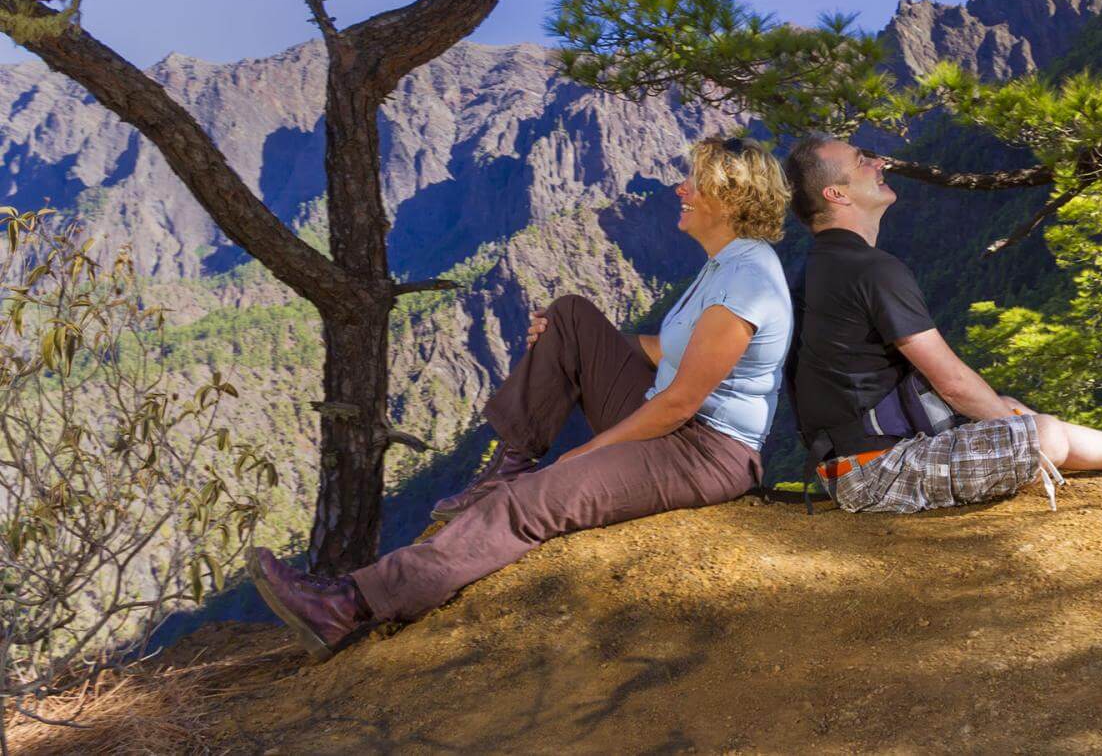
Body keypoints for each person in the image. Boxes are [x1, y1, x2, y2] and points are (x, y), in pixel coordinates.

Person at [250, 137, 795, 661]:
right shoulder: (725, 263)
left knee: (534, 502)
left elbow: (680, 403)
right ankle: (510, 461)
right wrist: (581, 344)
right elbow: (675, 351)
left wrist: (590, 451)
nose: (680, 189)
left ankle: (348, 603)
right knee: (569, 314)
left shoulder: (746, 280)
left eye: (694, 183)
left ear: (730, 199)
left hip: (704, 450)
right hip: (671, 416)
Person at [781, 134, 1102, 515]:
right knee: (1036, 433)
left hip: (852, 464)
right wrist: (1015, 432)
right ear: (836, 193)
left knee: (1011, 409)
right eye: (862, 162)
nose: (879, 164)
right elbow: (950, 381)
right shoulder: (868, 269)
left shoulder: (821, 265)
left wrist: (1007, 419)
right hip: (877, 473)